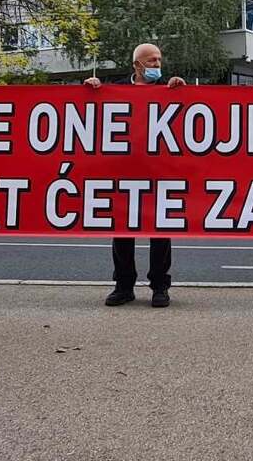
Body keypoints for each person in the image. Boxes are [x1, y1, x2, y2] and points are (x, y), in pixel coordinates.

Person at [85, 43, 185, 308]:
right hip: (123, 171)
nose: (157, 66)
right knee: (122, 230)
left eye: (159, 61)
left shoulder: (169, 91)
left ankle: (160, 287)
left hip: (158, 172)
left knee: (160, 231)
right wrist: (91, 88)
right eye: (151, 61)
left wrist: (182, 90)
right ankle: (123, 286)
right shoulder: (114, 90)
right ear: (137, 65)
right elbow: (91, 113)